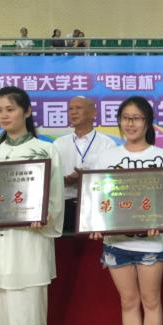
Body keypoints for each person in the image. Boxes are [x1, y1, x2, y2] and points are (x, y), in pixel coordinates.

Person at [0, 86, 64, 325]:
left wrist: (44, 217)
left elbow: (55, 200)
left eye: (11, 109)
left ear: (27, 111)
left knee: (26, 313)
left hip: (28, 244)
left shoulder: (46, 151)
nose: (4, 116)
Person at [90, 96, 163, 325]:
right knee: (128, 302)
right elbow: (98, 198)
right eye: (126, 117)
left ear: (147, 122)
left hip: (151, 244)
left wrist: (159, 220)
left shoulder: (161, 156)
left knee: (151, 301)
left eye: (137, 118)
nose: (131, 123)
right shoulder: (106, 157)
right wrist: (96, 224)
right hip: (116, 243)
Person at [53, 96, 116, 232]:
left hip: (96, 204)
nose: (73, 112)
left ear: (93, 113)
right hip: (66, 205)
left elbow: (111, 178)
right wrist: (64, 180)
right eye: (70, 109)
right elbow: (51, 177)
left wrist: (87, 178)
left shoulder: (107, 144)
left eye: (78, 108)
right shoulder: (58, 144)